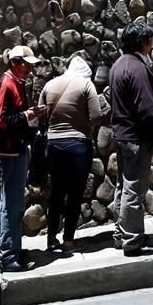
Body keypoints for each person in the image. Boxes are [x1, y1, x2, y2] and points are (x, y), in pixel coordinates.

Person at [39, 55, 104, 252]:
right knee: (75, 193)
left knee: (57, 191)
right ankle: (68, 240)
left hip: (53, 145)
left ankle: (51, 237)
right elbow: (96, 116)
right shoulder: (86, 84)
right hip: (78, 145)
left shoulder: (49, 85)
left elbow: (41, 116)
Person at [109, 23, 153, 256]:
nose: (152, 45)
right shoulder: (138, 68)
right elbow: (148, 111)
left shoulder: (118, 65)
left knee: (123, 187)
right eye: (150, 40)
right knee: (134, 190)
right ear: (142, 42)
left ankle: (121, 234)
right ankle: (132, 240)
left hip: (122, 135)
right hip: (136, 137)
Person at [0, 45, 42, 272]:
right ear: (14, 63)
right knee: (11, 205)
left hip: (16, 149)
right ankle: (8, 255)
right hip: (11, 151)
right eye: (26, 64)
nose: (29, 69)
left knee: (12, 203)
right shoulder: (7, 85)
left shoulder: (15, 83)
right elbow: (1, 120)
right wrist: (27, 115)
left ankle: (9, 248)